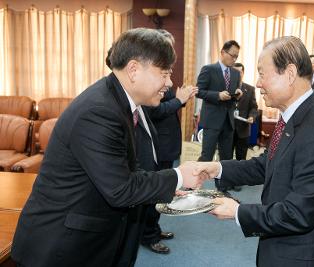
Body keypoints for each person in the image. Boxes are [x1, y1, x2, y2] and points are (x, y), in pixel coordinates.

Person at [11, 28, 205, 267]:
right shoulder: (100, 111)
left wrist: (163, 185)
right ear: (133, 70)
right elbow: (120, 189)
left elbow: (127, 169)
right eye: (164, 73)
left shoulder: (119, 102)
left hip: (89, 237)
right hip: (61, 246)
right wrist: (177, 176)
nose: (169, 82)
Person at [192, 36, 314, 267]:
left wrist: (238, 211)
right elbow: (265, 165)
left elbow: (298, 213)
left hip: (304, 256)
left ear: (289, 73)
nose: (257, 83)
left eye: (262, 73)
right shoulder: (295, 117)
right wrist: (216, 168)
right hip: (282, 246)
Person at [141, 86, 197, 254]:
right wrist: (179, 100)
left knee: (160, 194)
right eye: (167, 71)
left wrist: (182, 99)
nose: (170, 79)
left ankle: (154, 230)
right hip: (160, 145)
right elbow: (156, 111)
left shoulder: (163, 83)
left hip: (168, 143)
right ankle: (149, 236)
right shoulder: (148, 86)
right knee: (154, 194)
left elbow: (170, 104)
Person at [196, 40, 242, 163]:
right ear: (223, 52)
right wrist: (217, 95)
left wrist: (238, 94)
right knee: (206, 157)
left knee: (227, 158)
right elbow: (198, 92)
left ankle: (224, 182)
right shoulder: (208, 69)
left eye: (236, 57)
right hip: (212, 121)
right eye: (232, 55)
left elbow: (234, 94)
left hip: (228, 122)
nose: (234, 59)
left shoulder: (236, 74)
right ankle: (197, 182)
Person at [232, 62, 258, 161]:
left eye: (239, 72)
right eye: (234, 72)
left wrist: (252, 116)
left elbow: (254, 107)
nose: (237, 74)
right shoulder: (226, 88)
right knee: (225, 159)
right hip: (228, 130)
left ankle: (238, 176)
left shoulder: (250, 89)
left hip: (243, 130)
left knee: (241, 159)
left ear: (243, 73)